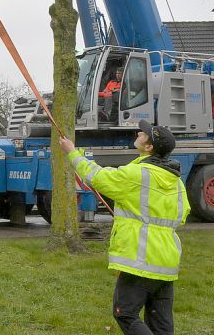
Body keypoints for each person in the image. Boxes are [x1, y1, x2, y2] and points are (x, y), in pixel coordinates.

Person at [59, 120, 190, 335]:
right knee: (161, 324)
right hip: (167, 261)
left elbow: (97, 177)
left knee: (125, 313)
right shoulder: (176, 182)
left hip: (140, 258)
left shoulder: (136, 175)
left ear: (149, 147)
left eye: (145, 133)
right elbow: (182, 215)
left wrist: (72, 152)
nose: (139, 132)